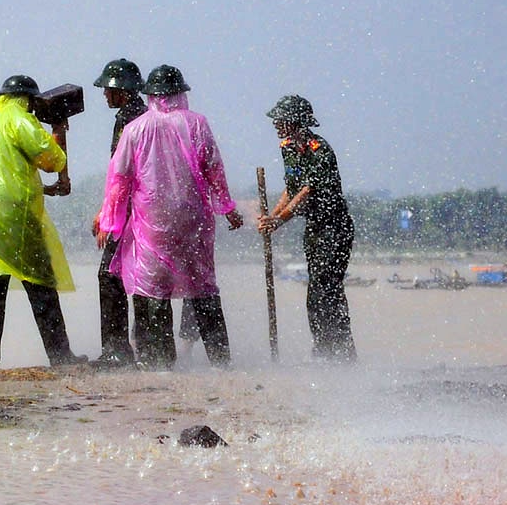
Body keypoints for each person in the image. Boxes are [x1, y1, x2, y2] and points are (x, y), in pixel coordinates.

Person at [96, 65, 243, 369]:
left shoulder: (135, 129)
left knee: (153, 288)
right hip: (194, 221)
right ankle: (221, 361)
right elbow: (214, 168)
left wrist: (111, 221)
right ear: (180, 93)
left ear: (150, 95)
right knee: (203, 286)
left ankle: (159, 363)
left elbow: (119, 179)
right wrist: (227, 208)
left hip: (152, 224)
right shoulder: (197, 123)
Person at [0, 75, 87, 372]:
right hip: (13, 215)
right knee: (40, 281)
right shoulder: (20, 120)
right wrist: (57, 129)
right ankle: (60, 356)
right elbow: (51, 160)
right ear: (27, 100)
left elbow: (4, 173)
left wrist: (45, 187)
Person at [257, 95, 357, 362]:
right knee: (315, 292)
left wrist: (280, 220)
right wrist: (271, 217)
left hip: (335, 227)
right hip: (314, 227)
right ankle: (324, 349)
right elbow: (291, 189)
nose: (276, 124)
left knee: (327, 289)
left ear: (296, 122)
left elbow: (306, 192)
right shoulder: (288, 148)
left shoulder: (319, 150)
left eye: (281, 120)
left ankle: (341, 352)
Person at [90, 58, 146, 367]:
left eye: (107, 89)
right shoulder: (145, 115)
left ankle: (116, 351)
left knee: (109, 275)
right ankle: (148, 350)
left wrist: (108, 215)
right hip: (146, 210)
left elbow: (122, 174)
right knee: (142, 277)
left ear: (121, 91)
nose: (104, 94)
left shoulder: (128, 120)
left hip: (130, 210)